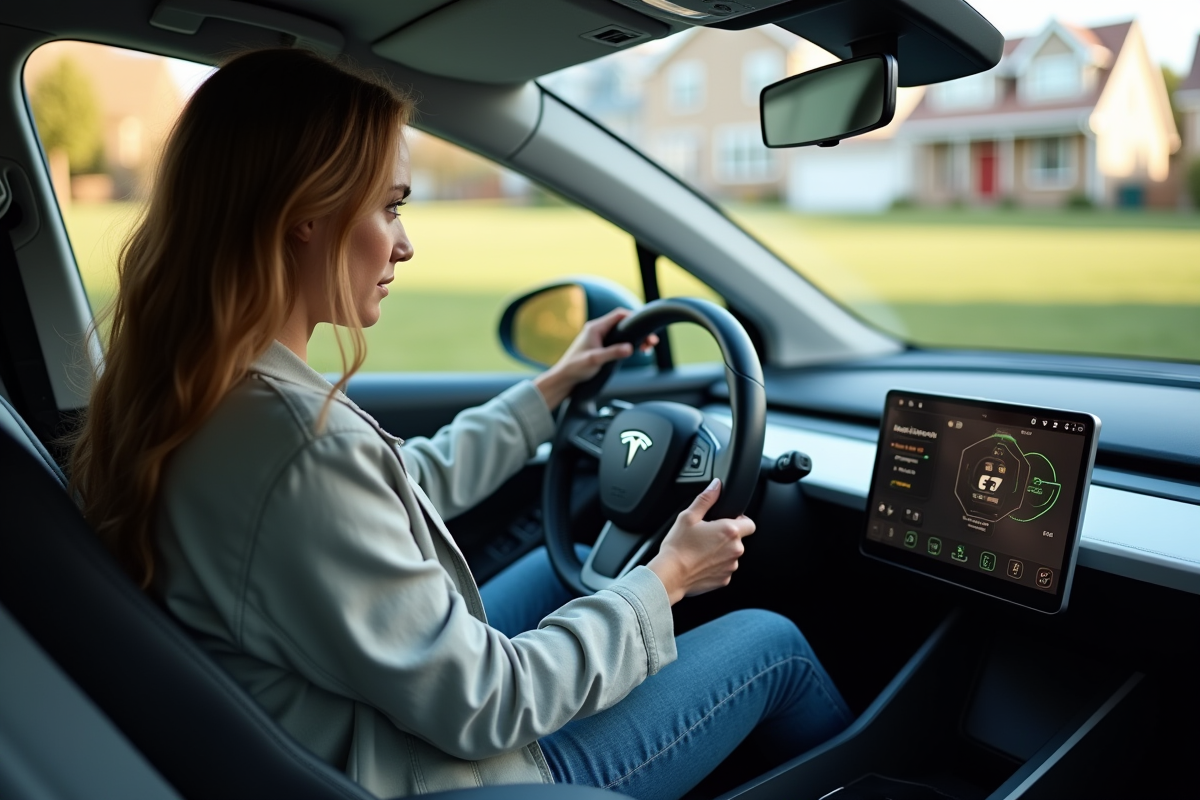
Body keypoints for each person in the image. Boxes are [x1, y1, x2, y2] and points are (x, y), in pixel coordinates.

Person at [69, 48, 850, 800]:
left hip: (367, 725)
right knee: (769, 644)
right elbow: (487, 702)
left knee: (565, 564)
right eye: (390, 205)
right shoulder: (299, 446)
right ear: (303, 214)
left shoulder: (205, 392)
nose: (404, 244)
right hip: (451, 776)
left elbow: (402, 486)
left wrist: (548, 392)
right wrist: (669, 578)